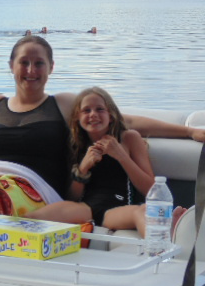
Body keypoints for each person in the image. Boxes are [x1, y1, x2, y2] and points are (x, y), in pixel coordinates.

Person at [0, 35, 205, 246]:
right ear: (11, 66)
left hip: (33, 194)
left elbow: (123, 121)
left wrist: (189, 132)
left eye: (39, 63)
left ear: (50, 68)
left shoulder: (62, 105)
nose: (31, 70)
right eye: (24, 62)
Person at [65, 86, 185, 235]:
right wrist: (82, 169)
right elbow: (72, 197)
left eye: (100, 109)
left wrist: (121, 156)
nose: (93, 115)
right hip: (85, 209)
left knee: (141, 211)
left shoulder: (129, 138)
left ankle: (164, 241)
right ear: (77, 116)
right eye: (86, 110)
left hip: (116, 210)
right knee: (36, 216)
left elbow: (150, 190)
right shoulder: (75, 144)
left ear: (111, 114)